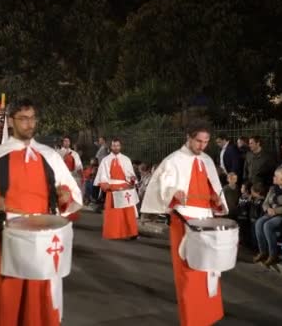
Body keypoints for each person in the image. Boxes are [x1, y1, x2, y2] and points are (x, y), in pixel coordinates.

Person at [0, 98, 82, 326]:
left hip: (45, 233)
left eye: (32, 118)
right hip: (12, 233)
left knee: (45, 289)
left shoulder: (49, 156)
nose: (29, 124)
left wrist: (64, 194)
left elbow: (67, 188)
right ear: (11, 122)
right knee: (11, 290)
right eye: (23, 119)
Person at [141, 122, 228, 326]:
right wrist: (173, 194)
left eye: (206, 142)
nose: (202, 146)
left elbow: (213, 189)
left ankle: (209, 314)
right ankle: (192, 318)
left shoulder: (206, 160)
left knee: (209, 268)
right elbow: (165, 187)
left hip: (207, 219)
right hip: (184, 220)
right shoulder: (173, 160)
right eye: (199, 141)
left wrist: (216, 199)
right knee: (189, 270)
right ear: (189, 137)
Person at [93, 138, 139, 240]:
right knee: (114, 213)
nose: (116, 147)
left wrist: (132, 180)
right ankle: (113, 233)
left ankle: (132, 232)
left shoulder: (126, 159)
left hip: (125, 188)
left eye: (117, 145)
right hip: (112, 188)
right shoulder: (106, 160)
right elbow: (103, 175)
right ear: (111, 147)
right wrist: (106, 185)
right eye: (114, 145)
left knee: (128, 212)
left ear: (120, 146)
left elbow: (131, 174)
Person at [253, 168, 282, 266]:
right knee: (259, 223)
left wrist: (276, 211)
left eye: (276, 176)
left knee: (268, 225)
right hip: (271, 213)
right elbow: (265, 203)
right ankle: (263, 252)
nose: (273, 178)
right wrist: (268, 209)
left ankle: (273, 255)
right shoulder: (273, 189)